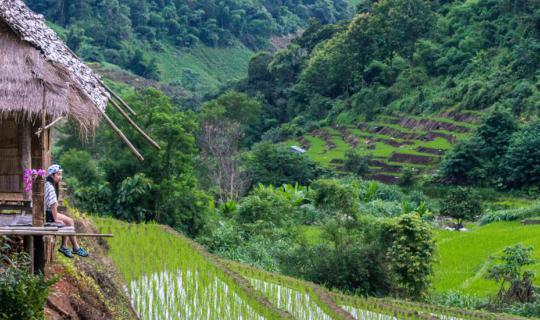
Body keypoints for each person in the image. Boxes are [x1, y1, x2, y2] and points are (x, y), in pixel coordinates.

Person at [45, 164, 89, 258]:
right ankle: (75, 248)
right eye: (58, 174)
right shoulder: (50, 187)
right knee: (70, 221)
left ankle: (65, 246)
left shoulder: (47, 183)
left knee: (67, 221)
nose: (60, 177)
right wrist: (55, 218)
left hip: (45, 212)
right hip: (46, 214)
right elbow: (53, 205)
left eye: (61, 174)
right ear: (52, 175)